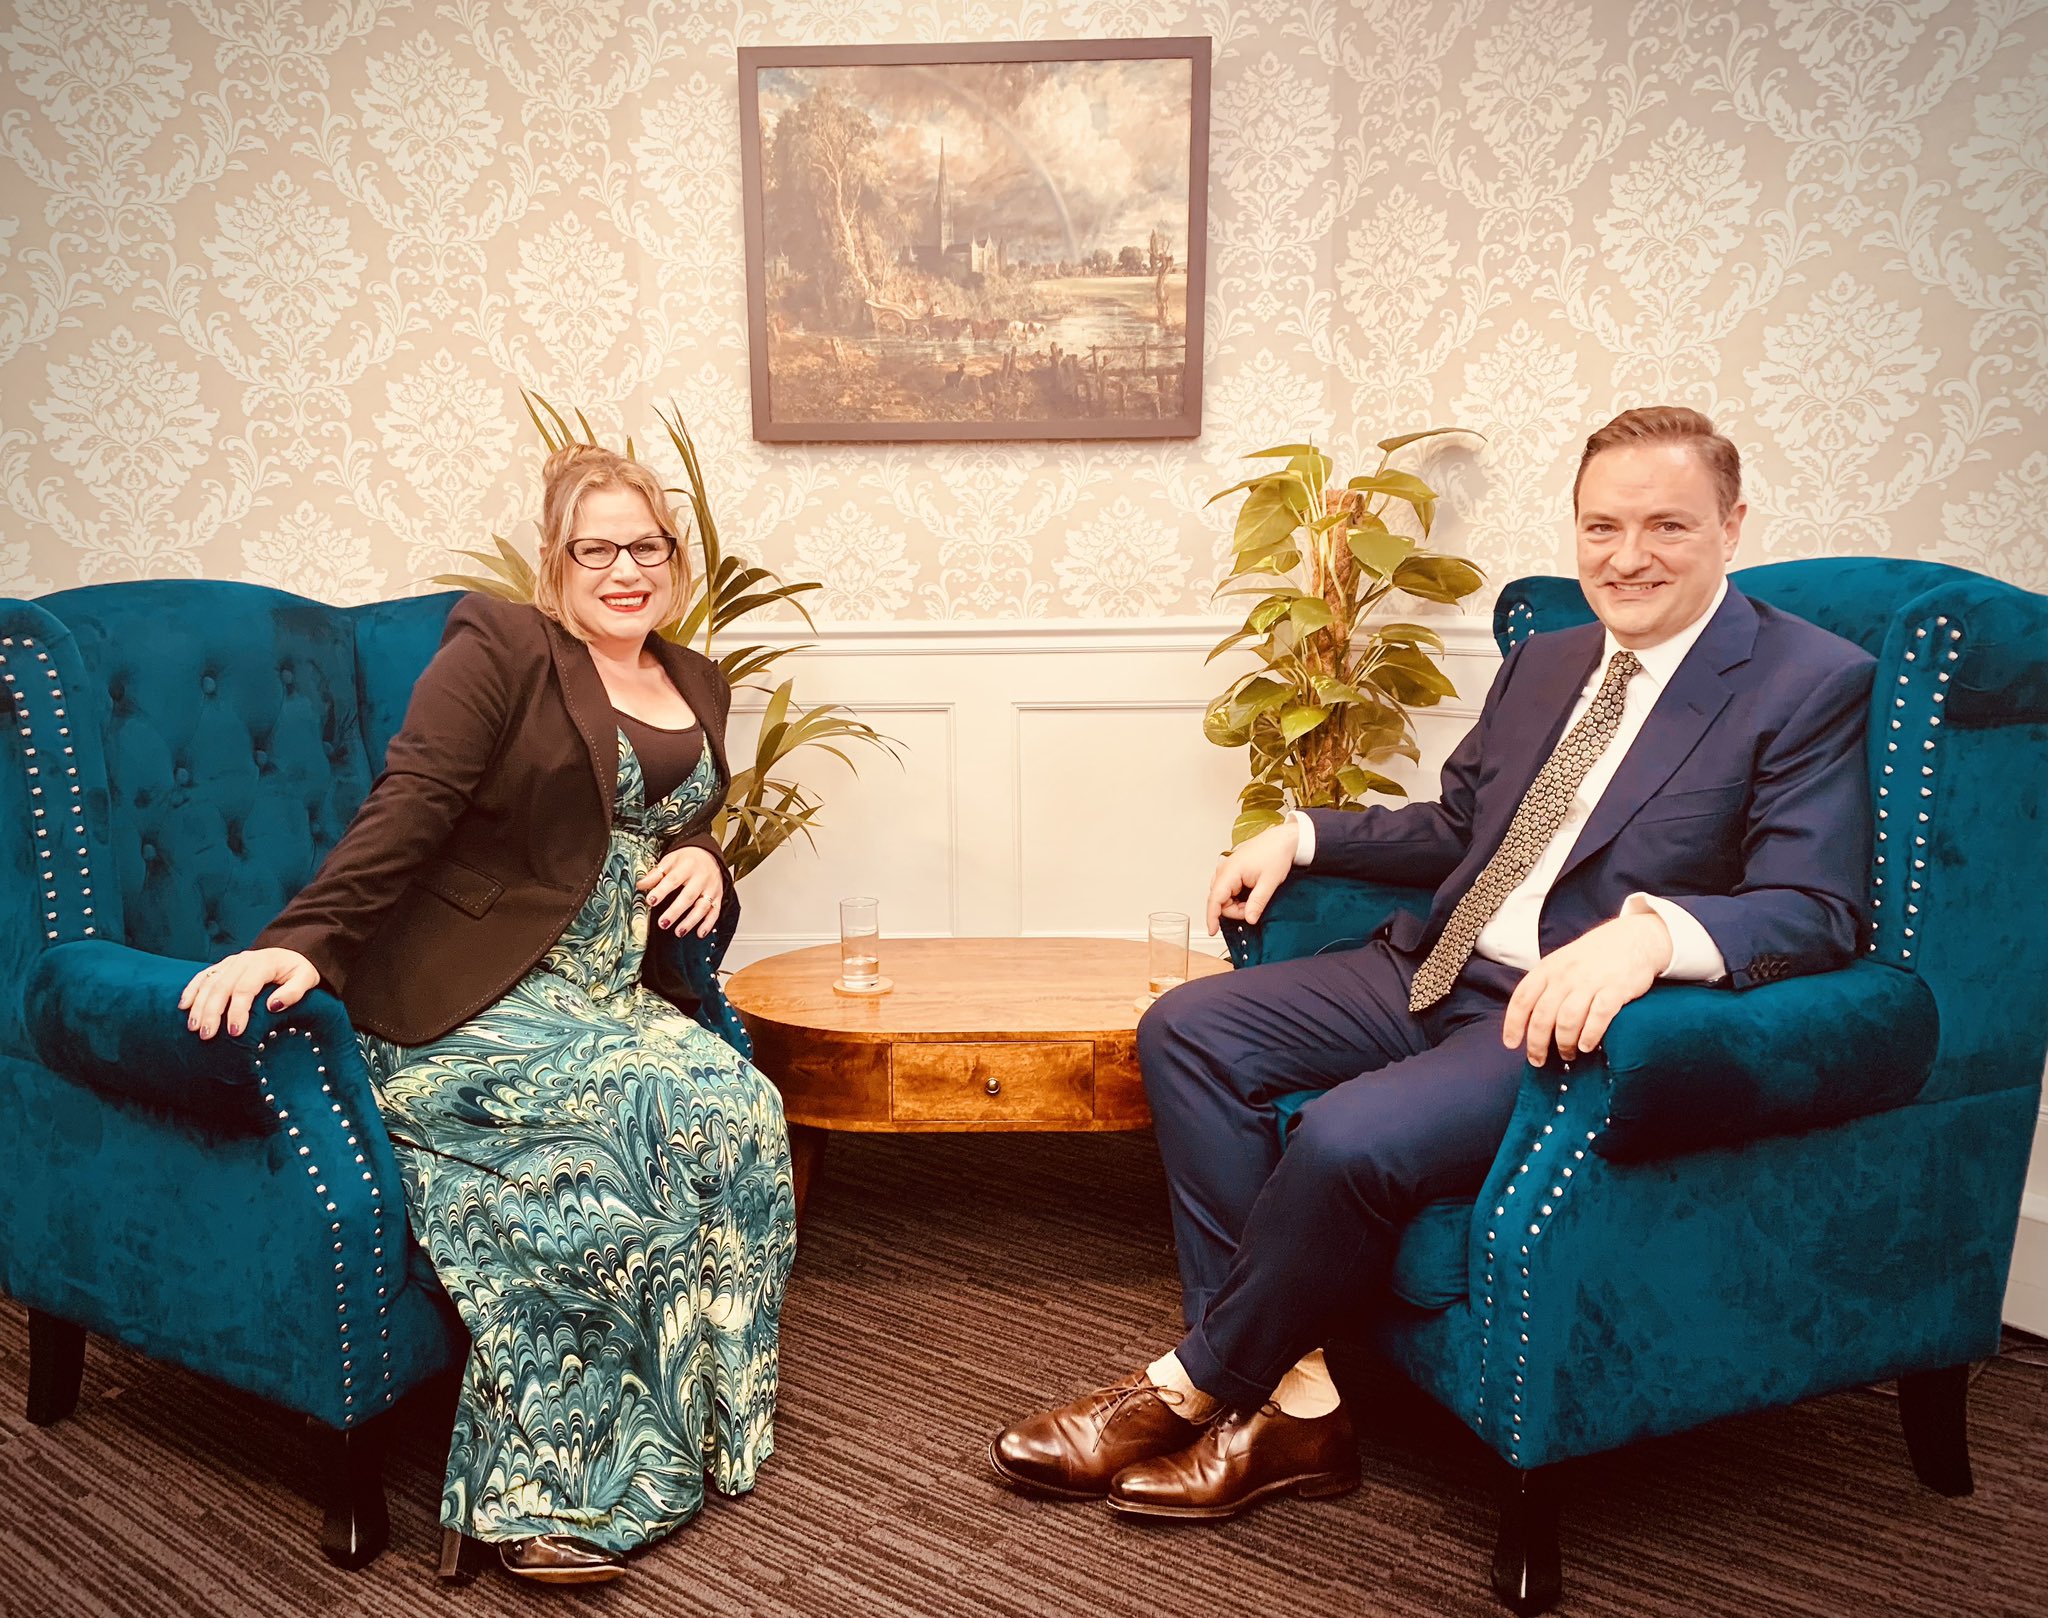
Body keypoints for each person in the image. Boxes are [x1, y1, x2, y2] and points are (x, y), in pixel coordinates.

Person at [991, 406, 1875, 1520]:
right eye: (1601, 527)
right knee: (1189, 1028)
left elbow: (1814, 908)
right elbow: (1461, 827)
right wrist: (1303, 834)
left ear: (1731, 525)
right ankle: (1294, 1403)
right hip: (1437, 966)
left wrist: (1650, 934)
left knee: (1344, 1135)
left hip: (1553, 1015)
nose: (1626, 557)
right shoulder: (1548, 660)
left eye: (1667, 526)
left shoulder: (1803, 679)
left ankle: (1188, 1386)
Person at [180, 445, 796, 1586]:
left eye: (646, 546)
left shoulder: (698, 678)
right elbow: (411, 800)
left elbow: (669, 817)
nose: (624, 569)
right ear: (555, 560)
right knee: (627, 1133)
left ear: (674, 559)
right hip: (473, 990)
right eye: (595, 548)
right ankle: (549, 1493)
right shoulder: (504, 645)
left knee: (740, 1108)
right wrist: (299, 941)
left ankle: (698, 1430)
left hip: (603, 995)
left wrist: (707, 856)